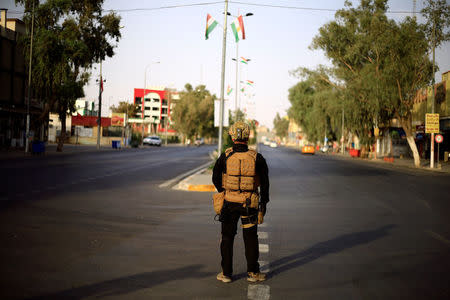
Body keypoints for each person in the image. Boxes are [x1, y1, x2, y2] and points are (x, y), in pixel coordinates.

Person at [212, 121, 270, 283]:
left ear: (232, 136)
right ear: (247, 136)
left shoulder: (226, 156)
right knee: (250, 238)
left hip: (229, 202)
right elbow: (265, 183)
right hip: (249, 203)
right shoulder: (257, 158)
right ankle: (253, 273)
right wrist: (263, 204)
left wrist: (224, 191)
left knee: (227, 237)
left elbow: (215, 177)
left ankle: (226, 274)